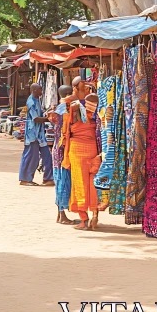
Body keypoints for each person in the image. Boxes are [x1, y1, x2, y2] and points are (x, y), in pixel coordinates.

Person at [63, 77, 102, 230]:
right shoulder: (95, 104)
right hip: (92, 147)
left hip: (77, 148)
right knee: (93, 181)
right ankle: (94, 214)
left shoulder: (70, 104)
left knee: (79, 183)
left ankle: (84, 220)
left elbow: (65, 125)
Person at [49, 85, 75, 224]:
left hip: (60, 148)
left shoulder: (62, 109)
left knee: (62, 180)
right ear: (66, 94)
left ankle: (61, 214)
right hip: (61, 150)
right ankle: (62, 214)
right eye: (70, 93)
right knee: (62, 181)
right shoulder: (63, 110)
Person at [19, 83, 53, 187]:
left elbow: (39, 115)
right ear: (34, 90)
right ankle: (25, 179)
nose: (41, 92)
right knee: (31, 157)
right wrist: (49, 119)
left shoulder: (36, 100)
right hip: (32, 135)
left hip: (40, 135)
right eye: (40, 90)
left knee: (47, 156)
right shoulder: (31, 102)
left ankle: (48, 179)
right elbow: (35, 118)